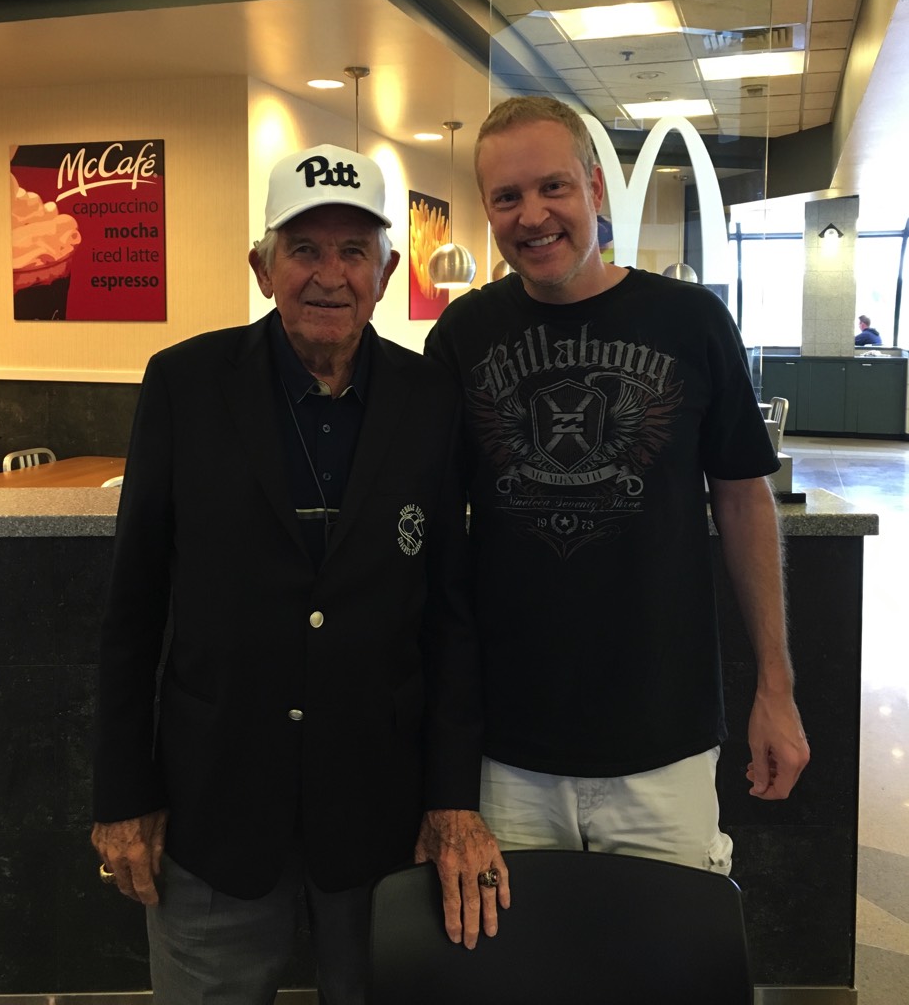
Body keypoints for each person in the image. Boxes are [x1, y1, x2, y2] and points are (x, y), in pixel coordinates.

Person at [91, 142, 494, 1005]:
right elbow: (132, 611)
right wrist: (124, 795)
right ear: (262, 265)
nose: (329, 275)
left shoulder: (431, 400)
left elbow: (449, 617)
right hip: (213, 813)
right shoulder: (183, 386)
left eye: (353, 251)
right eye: (304, 249)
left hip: (383, 818)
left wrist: (453, 799)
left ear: (386, 272)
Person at [417, 96, 811, 937]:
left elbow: (742, 499)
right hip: (507, 754)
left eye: (552, 186)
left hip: (663, 741)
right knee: (520, 977)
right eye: (506, 198)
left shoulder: (690, 321)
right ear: (486, 210)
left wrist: (774, 688)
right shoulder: (463, 334)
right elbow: (434, 537)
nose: (533, 216)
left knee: (663, 970)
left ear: (594, 186)